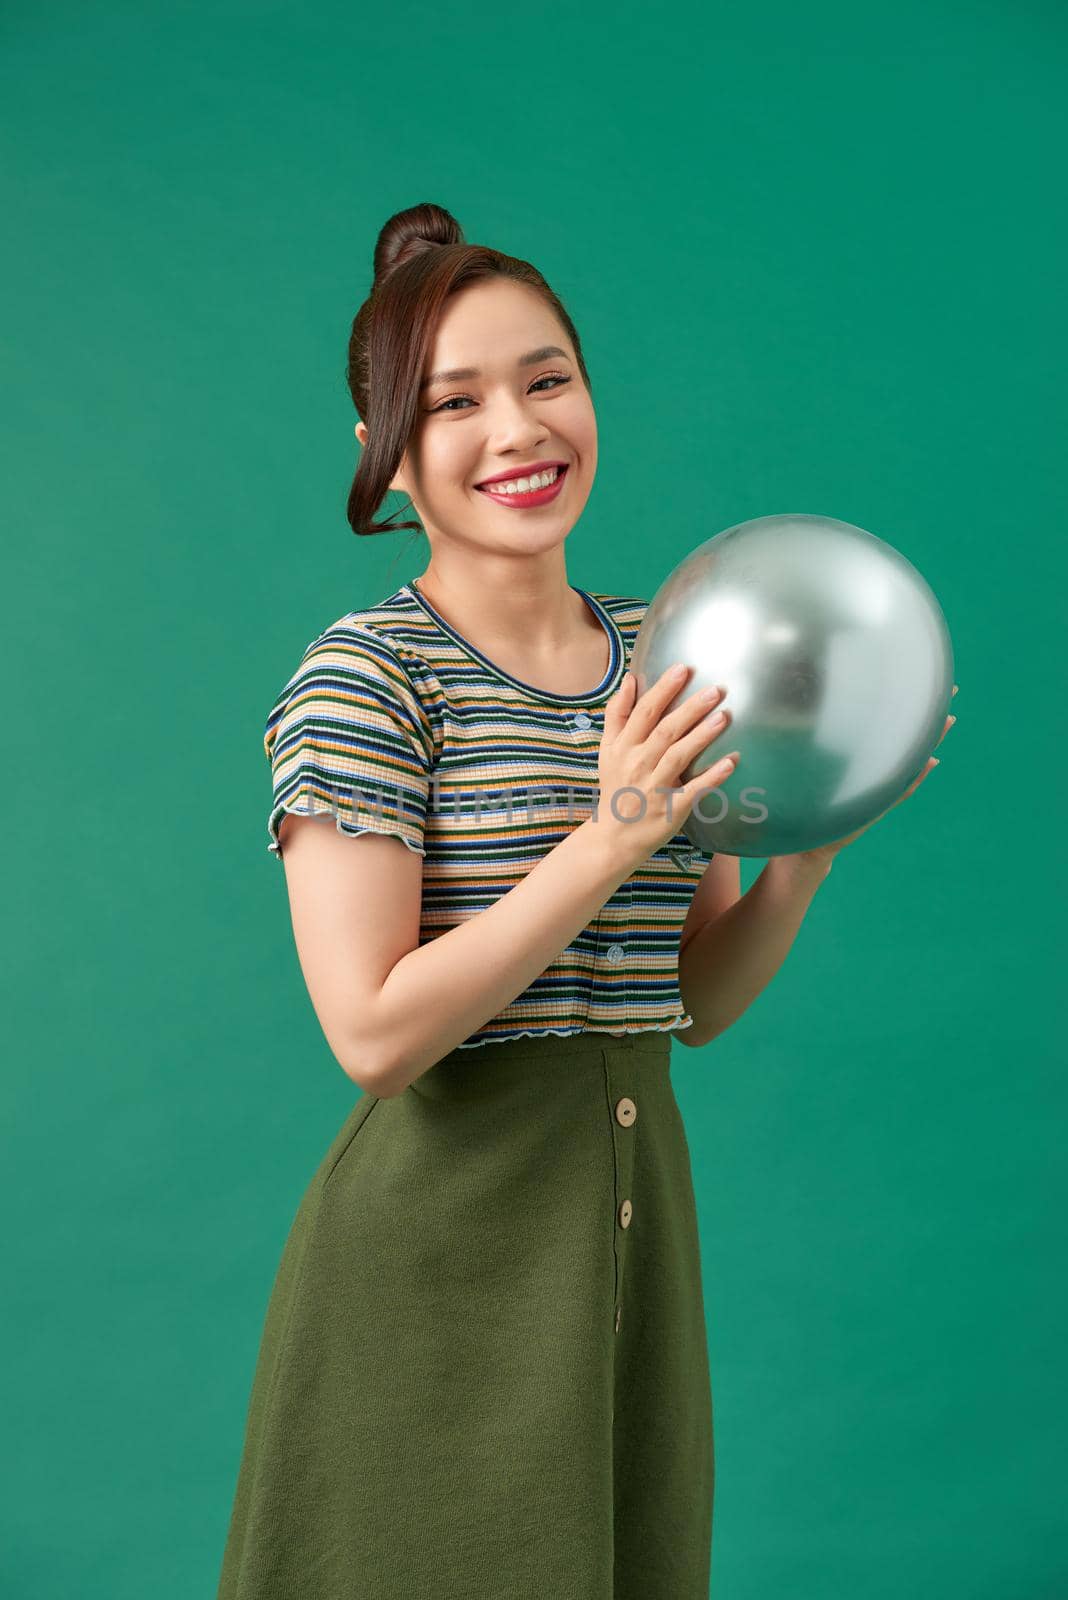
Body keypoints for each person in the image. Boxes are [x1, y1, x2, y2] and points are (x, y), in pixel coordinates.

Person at [215, 202, 956, 1600]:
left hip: (629, 1259)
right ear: (390, 450)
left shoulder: (674, 649)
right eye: (457, 402)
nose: (519, 430)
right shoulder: (369, 680)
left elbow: (693, 1002)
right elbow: (372, 1037)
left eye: (548, 377)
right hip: (438, 1266)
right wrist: (612, 833)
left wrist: (810, 849)